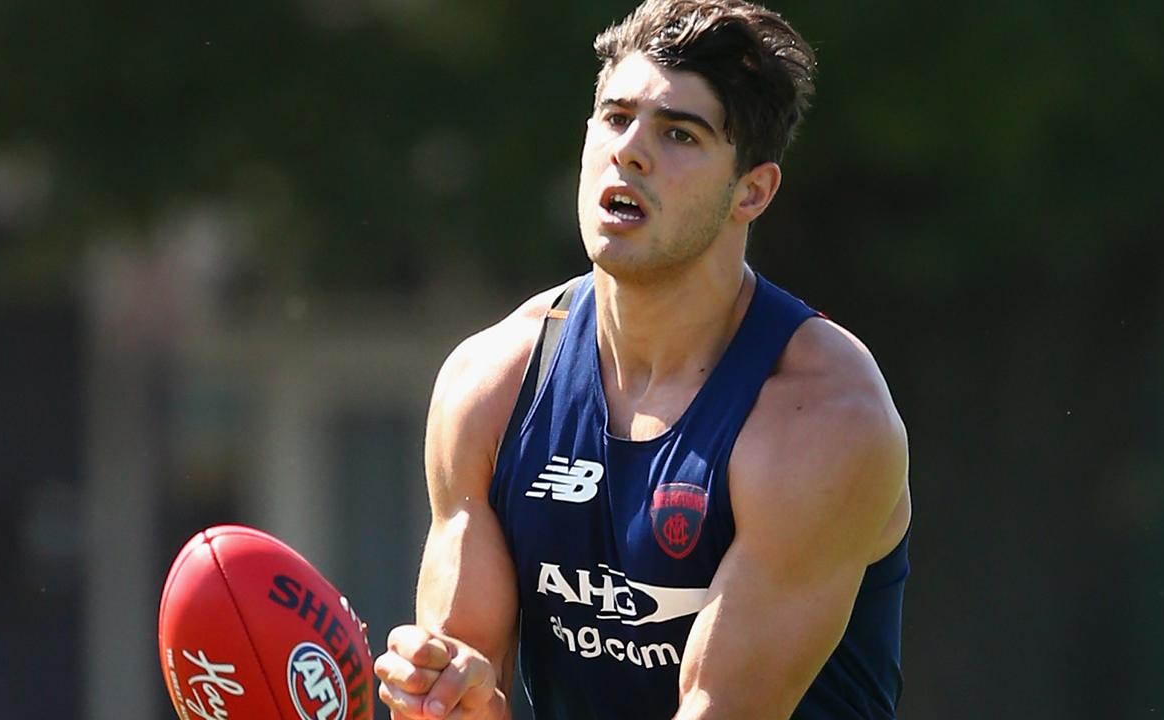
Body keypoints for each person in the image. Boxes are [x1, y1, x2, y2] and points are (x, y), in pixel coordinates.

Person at [374, 0, 911, 717]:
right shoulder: (490, 386)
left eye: (680, 133)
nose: (630, 150)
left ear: (751, 190)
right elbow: (467, 686)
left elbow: (718, 707)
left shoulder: (823, 417)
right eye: (615, 117)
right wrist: (451, 698)